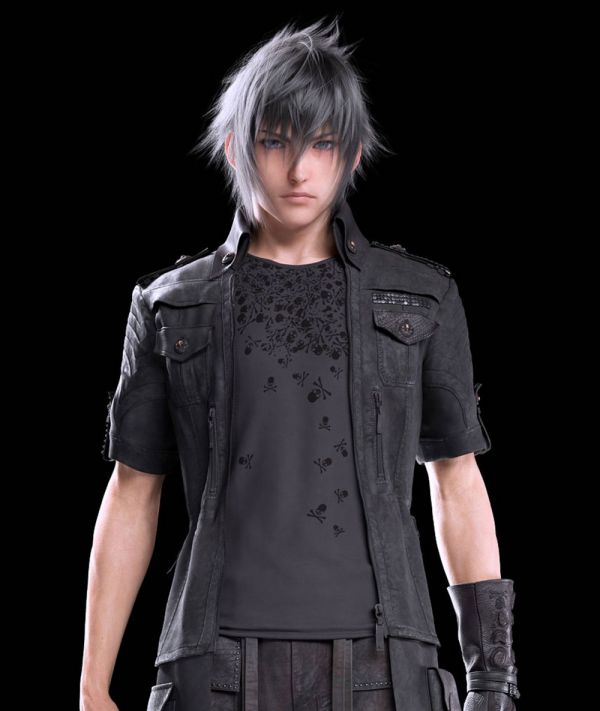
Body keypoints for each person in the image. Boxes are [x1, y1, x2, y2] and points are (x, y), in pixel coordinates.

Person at [80, 15, 520, 711]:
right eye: (275, 140)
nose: (299, 169)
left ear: (353, 153)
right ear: (236, 147)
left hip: (386, 670)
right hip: (212, 666)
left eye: (322, 143)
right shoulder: (173, 303)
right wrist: (92, 684)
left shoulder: (421, 297)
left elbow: (456, 477)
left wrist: (492, 679)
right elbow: (134, 490)